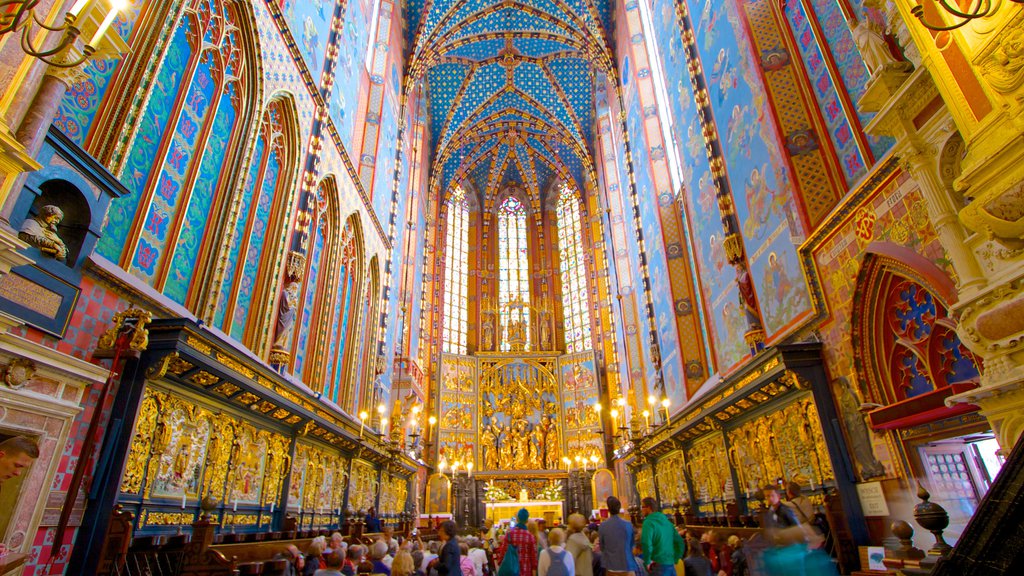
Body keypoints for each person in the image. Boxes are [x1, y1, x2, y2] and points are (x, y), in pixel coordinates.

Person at [639, 497, 686, 576]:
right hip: (670, 566)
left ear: (649, 508)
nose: (641, 510)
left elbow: (646, 543)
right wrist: (675, 558)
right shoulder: (666, 520)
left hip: (658, 565)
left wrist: (647, 562)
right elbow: (679, 542)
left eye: (642, 507)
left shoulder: (648, 522)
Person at [599, 496, 639, 576]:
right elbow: (632, 544)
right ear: (619, 508)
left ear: (608, 509)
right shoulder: (628, 525)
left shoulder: (603, 526)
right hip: (627, 565)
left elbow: (602, 547)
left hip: (611, 566)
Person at [496, 508, 539, 576]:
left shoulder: (509, 534)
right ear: (527, 520)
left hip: (511, 571)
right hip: (526, 571)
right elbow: (534, 558)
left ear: (517, 519)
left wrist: (500, 564)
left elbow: (503, 552)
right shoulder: (530, 536)